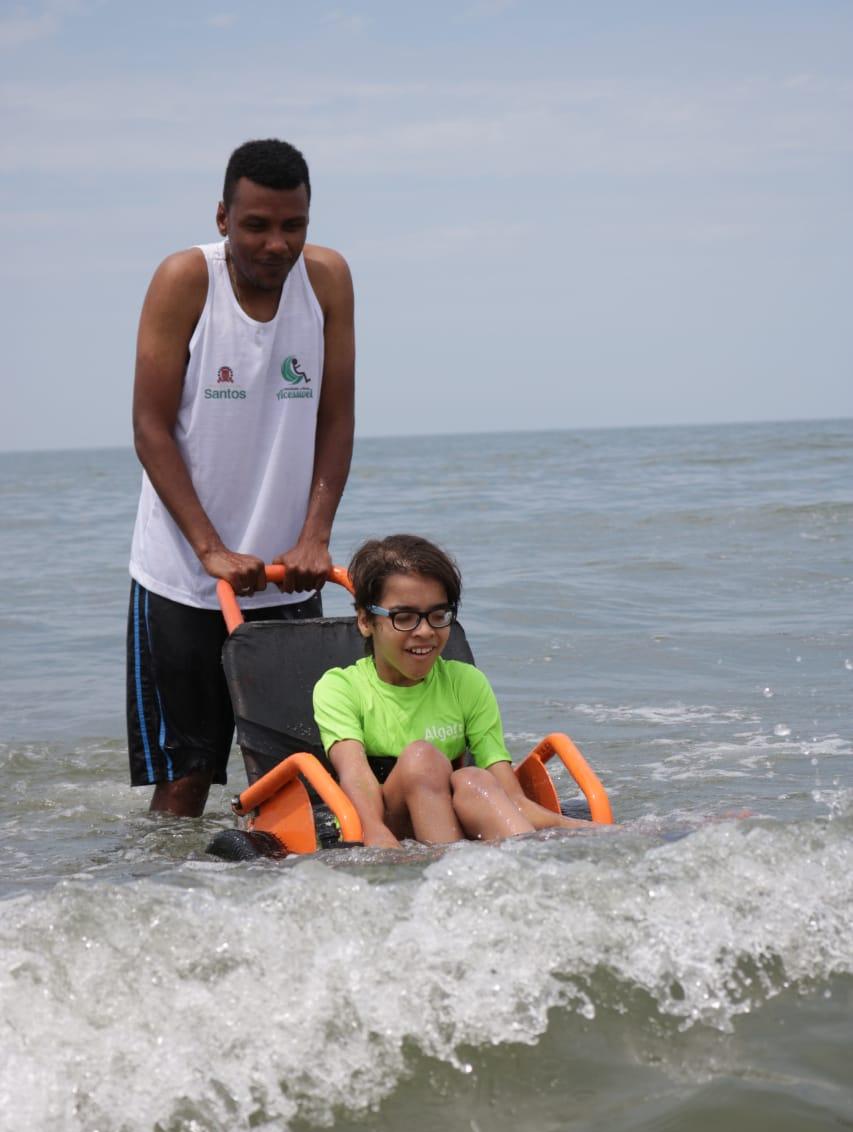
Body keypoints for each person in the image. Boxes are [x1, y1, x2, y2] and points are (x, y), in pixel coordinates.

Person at [127, 138, 354, 817]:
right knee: (188, 776)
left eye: (293, 225)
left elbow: (336, 419)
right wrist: (210, 550)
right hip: (183, 577)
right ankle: (160, 905)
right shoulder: (185, 279)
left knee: (301, 776)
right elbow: (150, 426)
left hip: (289, 572)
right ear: (224, 217)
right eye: (257, 224)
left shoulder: (329, 279)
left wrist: (315, 535)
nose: (276, 244)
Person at [313, 535, 599, 848]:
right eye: (404, 617)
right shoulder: (341, 688)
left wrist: (581, 829)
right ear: (366, 621)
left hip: (452, 820)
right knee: (422, 759)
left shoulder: (467, 683)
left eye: (438, 616)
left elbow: (511, 796)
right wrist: (375, 834)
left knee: (474, 779)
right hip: (387, 825)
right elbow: (355, 775)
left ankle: (528, 871)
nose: (424, 631)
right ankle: (451, 874)